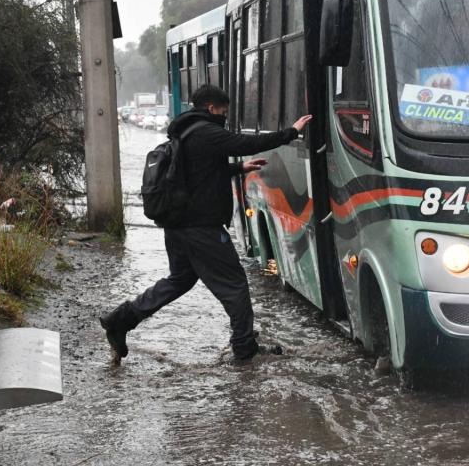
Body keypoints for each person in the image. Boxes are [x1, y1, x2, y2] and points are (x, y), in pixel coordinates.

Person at [100, 84, 312, 364]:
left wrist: (238, 168)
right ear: (211, 108)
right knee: (236, 285)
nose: (224, 118)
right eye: (223, 112)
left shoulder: (186, 131)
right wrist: (291, 132)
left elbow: (198, 172)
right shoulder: (206, 131)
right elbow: (246, 143)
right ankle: (244, 348)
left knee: (180, 280)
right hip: (201, 229)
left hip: (178, 227)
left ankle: (120, 320)